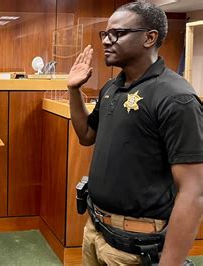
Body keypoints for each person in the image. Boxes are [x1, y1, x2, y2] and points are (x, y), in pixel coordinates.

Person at [67, 2, 202, 265]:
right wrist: (73, 90)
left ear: (149, 38)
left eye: (117, 33)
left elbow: (194, 190)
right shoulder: (112, 88)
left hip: (135, 248)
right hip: (95, 231)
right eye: (104, 34)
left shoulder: (176, 97)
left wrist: (170, 262)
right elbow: (86, 135)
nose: (107, 40)